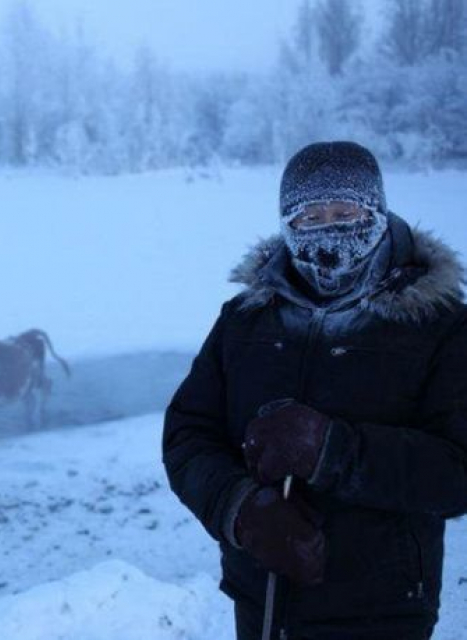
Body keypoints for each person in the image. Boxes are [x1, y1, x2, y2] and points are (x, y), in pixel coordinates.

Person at [162, 141, 467, 640]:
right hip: (260, 603)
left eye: (345, 212)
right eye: (309, 217)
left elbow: (457, 471)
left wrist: (333, 451)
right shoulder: (243, 321)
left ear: (377, 211)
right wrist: (239, 508)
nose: (328, 231)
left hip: (381, 611)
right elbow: (187, 435)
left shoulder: (441, 326)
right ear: (287, 224)